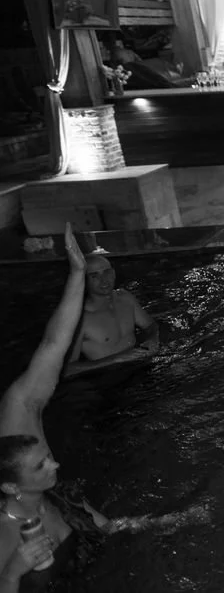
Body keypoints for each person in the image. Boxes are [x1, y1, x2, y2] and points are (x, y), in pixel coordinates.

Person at [0, 225, 109, 590]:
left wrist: (77, 274)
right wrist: (12, 573)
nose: (55, 463)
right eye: (42, 463)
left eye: (46, 458)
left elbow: (52, 347)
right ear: (11, 486)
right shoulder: (4, 535)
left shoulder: (59, 497)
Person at [63, 254, 159, 379]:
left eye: (107, 272)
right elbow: (67, 370)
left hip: (140, 368)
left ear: (113, 273)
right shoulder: (79, 318)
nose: (104, 280)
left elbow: (150, 326)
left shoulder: (125, 298)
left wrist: (153, 339)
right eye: (94, 276)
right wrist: (115, 359)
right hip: (108, 379)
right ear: (84, 281)